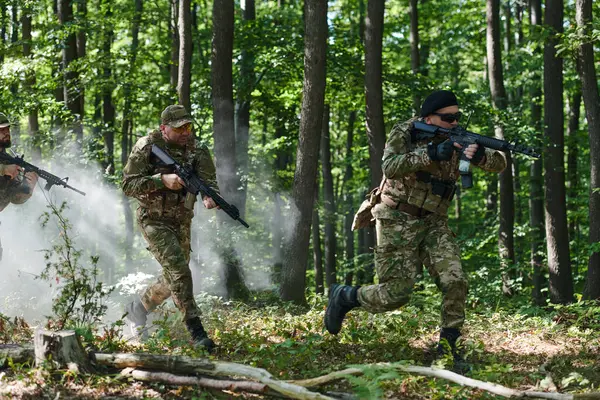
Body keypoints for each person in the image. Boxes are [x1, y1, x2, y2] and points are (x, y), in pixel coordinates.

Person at [324, 90, 507, 362]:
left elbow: (499, 163)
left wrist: (480, 156)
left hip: (434, 223)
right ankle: (346, 296)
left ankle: (449, 351)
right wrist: (431, 153)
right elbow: (390, 167)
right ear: (429, 118)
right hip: (397, 218)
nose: (455, 122)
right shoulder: (406, 132)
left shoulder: (459, 137)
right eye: (448, 118)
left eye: (457, 117)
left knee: (455, 280)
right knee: (396, 293)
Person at [122, 105, 220, 351]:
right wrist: (160, 180)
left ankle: (139, 308)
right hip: (153, 219)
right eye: (180, 128)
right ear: (164, 129)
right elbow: (127, 185)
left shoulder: (198, 150)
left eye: (189, 127)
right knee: (180, 271)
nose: (186, 132)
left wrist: (211, 197)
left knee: (173, 276)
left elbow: (210, 183)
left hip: (181, 220)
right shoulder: (146, 146)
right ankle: (196, 332)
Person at [0, 112, 39, 261]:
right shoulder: (6, 164)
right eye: (1, 130)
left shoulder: (8, 159)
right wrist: (3, 170)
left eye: (7, 129)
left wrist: (28, 188)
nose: (6, 133)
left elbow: (13, 198)